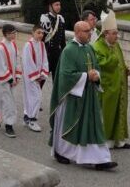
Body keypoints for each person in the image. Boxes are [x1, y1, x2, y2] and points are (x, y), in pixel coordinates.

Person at [49, 21, 117, 170]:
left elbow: (97, 68)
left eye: (90, 31)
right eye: (87, 31)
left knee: (92, 126)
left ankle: (100, 159)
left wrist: (96, 75)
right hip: (73, 96)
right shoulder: (69, 51)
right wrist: (87, 76)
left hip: (89, 95)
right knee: (69, 125)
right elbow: (66, 75)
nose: (90, 33)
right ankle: (61, 152)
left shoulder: (89, 48)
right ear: (77, 32)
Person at [92, 11, 130, 149]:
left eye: (117, 33)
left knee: (120, 111)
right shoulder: (97, 47)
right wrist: (113, 58)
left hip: (119, 84)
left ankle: (119, 139)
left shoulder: (116, 45)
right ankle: (107, 139)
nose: (117, 36)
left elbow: (120, 60)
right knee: (108, 113)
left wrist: (126, 69)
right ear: (105, 34)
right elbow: (101, 64)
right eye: (114, 33)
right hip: (107, 86)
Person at [0, 24, 21, 138]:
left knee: (2, 99)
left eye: (15, 32)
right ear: (6, 34)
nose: (14, 34)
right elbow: (1, 66)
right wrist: (9, 79)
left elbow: (18, 59)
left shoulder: (13, 45)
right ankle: (9, 125)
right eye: (12, 33)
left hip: (12, 78)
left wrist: (17, 75)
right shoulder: (0, 48)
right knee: (8, 102)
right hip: (4, 79)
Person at [21, 24, 49, 132]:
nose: (41, 35)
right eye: (38, 32)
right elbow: (27, 62)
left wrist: (43, 73)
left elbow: (45, 60)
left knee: (32, 97)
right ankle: (32, 120)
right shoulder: (28, 45)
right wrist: (35, 76)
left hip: (38, 76)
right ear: (33, 33)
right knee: (36, 97)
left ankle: (27, 117)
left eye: (42, 33)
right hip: (30, 76)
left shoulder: (41, 45)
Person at [40, 0, 65, 80]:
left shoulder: (61, 19)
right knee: (41, 80)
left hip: (57, 54)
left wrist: (63, 53)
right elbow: (41, 39)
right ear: (50, 6)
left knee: (57, 81)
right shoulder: (45, 19)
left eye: (59, 4)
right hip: (47, 54)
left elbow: (63, 41)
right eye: (56, 5)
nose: (59, 7)